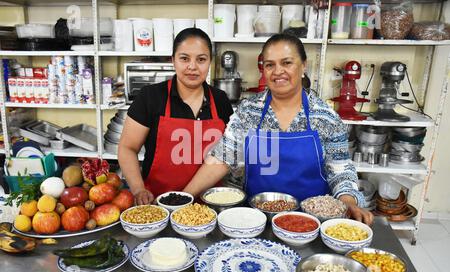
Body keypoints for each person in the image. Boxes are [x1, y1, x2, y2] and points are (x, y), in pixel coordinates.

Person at [184, 33, 373, 225]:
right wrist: (184, 197)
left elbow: (340, 169)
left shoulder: (325, 117)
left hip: (311, 222)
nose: (277, 71)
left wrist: (348, 201)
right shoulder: (249, 111)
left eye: (287, 63)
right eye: (270, 65)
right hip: (254, 219)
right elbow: (223, 157)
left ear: (303, 66)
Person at [118, 28, 234, 205]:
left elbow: (226, 154)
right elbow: (127, 148)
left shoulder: (220, 100)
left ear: (210, 62)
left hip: (209, 204)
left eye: (201, 59)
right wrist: (139, 189)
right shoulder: (151, 97)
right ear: (173, 60)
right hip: (157, 202)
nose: (192, 67)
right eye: (184, 58)